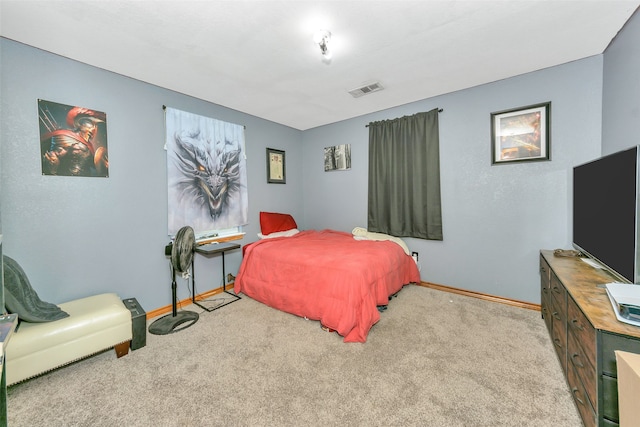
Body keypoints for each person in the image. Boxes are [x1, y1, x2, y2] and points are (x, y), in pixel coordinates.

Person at [41, 107, 108, 176]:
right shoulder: (65, 137)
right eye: (89, 124)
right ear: (80, 124)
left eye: (96, 126)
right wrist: (53, 171)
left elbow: (92, 164)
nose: (93, 129)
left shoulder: (89, 146)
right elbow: (52, 158)